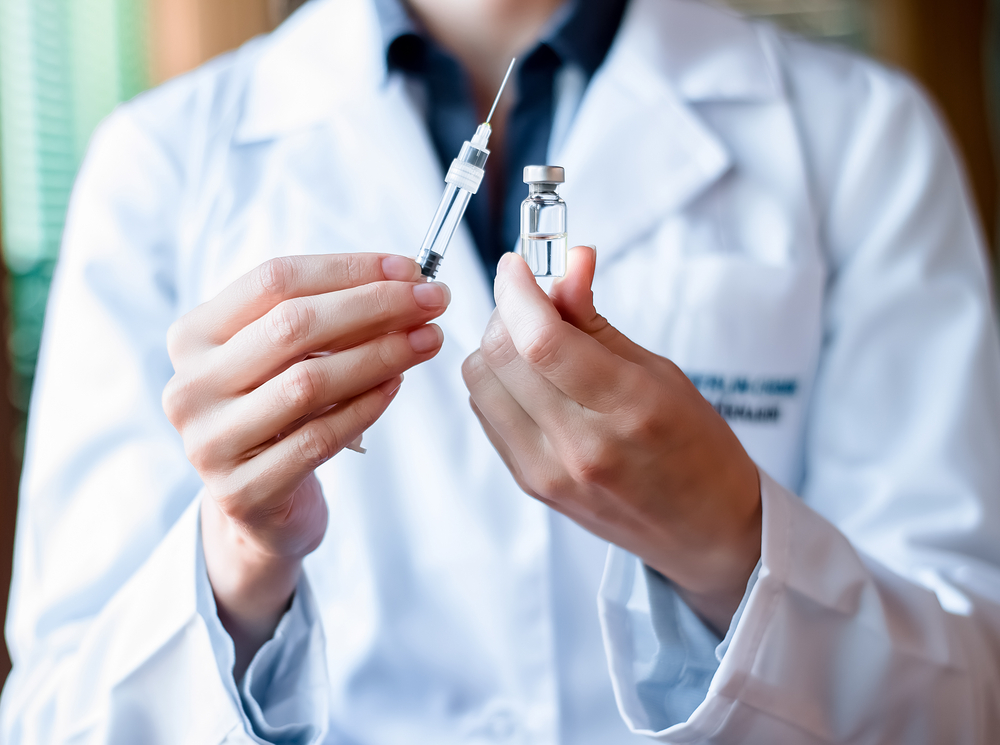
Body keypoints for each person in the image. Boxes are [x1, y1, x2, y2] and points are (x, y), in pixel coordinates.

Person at [3, 0, 1000, 741]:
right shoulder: (159, 163)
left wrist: (725, 536)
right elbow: (60, 715)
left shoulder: (861, 137)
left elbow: (964, 697)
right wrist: (237, 559)